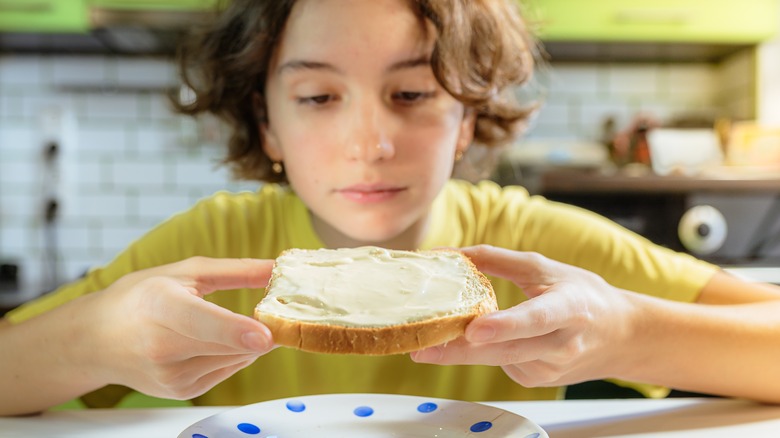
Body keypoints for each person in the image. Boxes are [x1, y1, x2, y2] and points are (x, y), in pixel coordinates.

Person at [1, 0, 779, 417]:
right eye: (316, 97)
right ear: (266, 122)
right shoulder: (214, 246)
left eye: (412, 94)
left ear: (468, 118)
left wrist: (630, 335)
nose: (370, 142)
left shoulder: (529, 247)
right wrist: (90, 341)